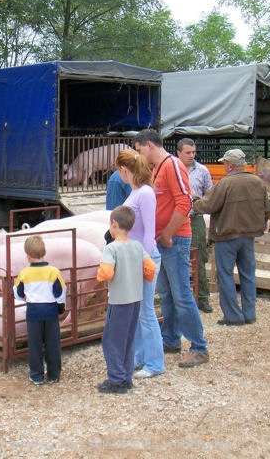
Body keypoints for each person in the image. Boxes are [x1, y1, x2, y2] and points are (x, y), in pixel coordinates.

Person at [133, 128, 209, 369]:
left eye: (138, 150)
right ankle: (171, 339)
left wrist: (167, 233)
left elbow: (185, 201)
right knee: (167, 293)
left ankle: (199, 346)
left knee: (182, 294)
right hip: (164, 240)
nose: (139, 156)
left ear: (149, 146)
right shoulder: (158, 169)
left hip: (174, 239)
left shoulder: (172, 165)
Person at [192, 149, 270, 326]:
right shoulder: (257, 182)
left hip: (226, 236)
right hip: (248, 236)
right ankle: (250, 314)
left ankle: (233, 316)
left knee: (225, 275)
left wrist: (195, 200)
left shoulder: (225, 184)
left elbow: (207, 206)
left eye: (225, 163)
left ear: (230, 165)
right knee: (248, 275)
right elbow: (266, 210)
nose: (224, 166)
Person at [115, 149, 165, 379]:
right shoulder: (136, 192)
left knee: (145, 312)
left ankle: (155, 363)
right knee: (139, 311)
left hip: (143, 257)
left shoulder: (144, 193)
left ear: (125, 170)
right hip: (136, 256)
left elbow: (149, 233)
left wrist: (142, 260)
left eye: (120, 171)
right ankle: (140, 357)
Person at [96, 205, 156, 393]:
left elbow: (106, 272)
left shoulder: (111, 249)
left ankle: (116, 380)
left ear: (114, 224)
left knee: (112, 341)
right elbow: (151, 268)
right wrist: (144, 278)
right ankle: (126, 376)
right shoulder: (137, 246)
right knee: (129, 339)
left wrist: (99, 275)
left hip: (118, 300)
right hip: (135, 299)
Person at [13, 235, 66, 386]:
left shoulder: (24, 273)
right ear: (44, 252)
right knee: (52, 344)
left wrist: (26, 298)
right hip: (50, 312)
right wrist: (60, 306)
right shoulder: (54, 272)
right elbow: (61, 292)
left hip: (34, 312)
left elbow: (17, 292)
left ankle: (36, 376)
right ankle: (54, 374)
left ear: (27, 256)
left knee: (35, 345)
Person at [177, 138, 214, 313]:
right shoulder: (173, 169)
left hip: (195, 218)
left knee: (199, 257)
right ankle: (180, 298)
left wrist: (199, 202)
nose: (191, 156)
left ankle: (202, 298)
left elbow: (210, 196)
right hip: (176, 218)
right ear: (179, 153)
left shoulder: (202, 171)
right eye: (188, 152)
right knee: (176, 257)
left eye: (193, 152)